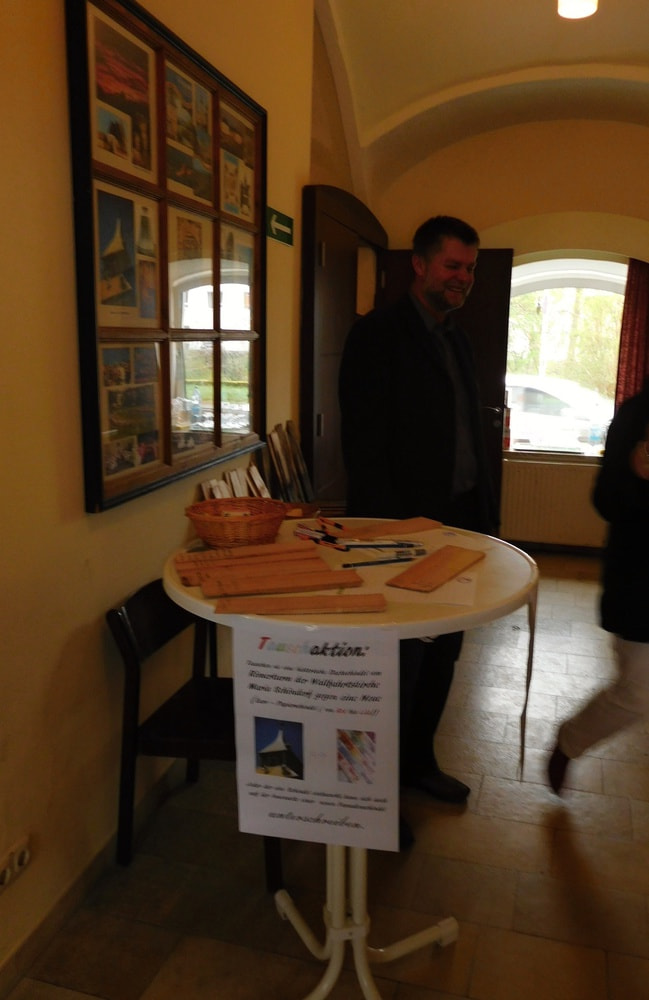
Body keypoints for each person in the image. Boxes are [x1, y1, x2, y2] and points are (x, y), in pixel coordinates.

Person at [338, 215, 499, 816]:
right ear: (420, 264)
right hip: (402, 532)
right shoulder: (376, 335)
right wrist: (390, 537)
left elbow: (469, 436)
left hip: (460, 526)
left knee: (442, 652)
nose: (463, 278)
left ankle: (418, 764)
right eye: (453, 265)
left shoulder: (458, 339)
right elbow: (364, 447)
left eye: (470, 268)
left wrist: (485, 518)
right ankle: (376, 793)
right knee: (396, 663)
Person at [548, 379, 649, 794]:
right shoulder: (637, 414)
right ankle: (570, 742)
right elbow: (606, 498)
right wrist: (637, 476)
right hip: (642, 583)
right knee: (638, 693)